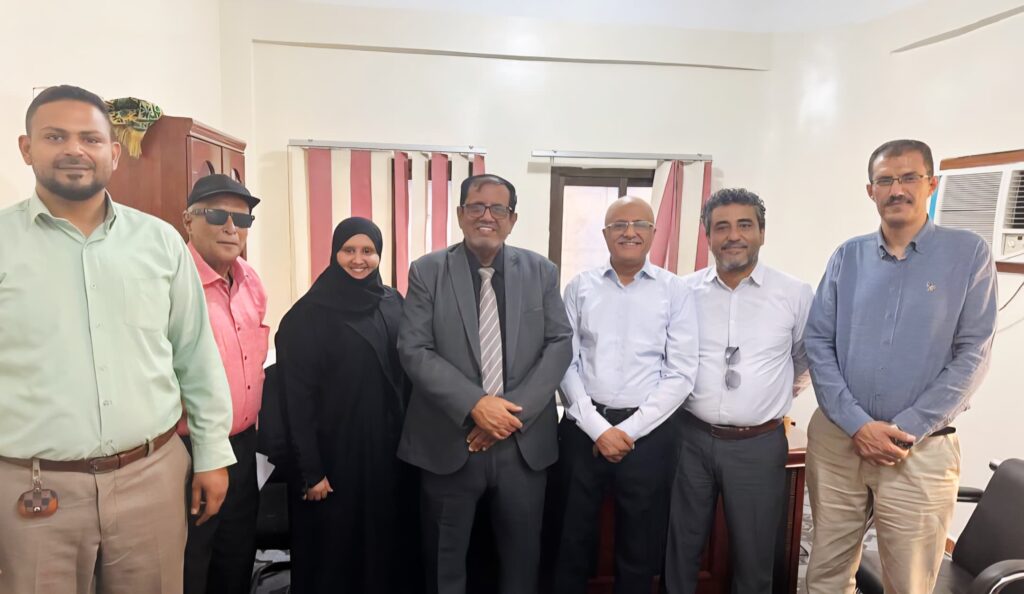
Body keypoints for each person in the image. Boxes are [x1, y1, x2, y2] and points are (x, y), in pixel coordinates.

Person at [0, 84, 234, 593]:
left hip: (151, 479)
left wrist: (213, 453)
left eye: (90, 138)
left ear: (113, 152)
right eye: (55, 136)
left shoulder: (159, 242)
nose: (74, 150)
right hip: (32, 490)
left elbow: (195, 354)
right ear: (26, 148)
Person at [804, 139, 998, 593]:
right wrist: (857, 424)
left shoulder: (968, 254)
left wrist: (904, 429)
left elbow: (973, 354)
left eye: (909, 177)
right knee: (826, 573)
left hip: (920, 450)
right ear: (870, 190)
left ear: (932, 184)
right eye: (885, 180)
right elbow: (818, 340)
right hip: (838, 442)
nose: (897, 189)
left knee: (908, 583)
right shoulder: (847, 256)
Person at [398, 174, 573, 594]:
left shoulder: (541, 271)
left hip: (521, 447)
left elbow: (559, 344)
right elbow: (414, 349)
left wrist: (509, 415)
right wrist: (477, 405)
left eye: (498, 208)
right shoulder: (427, 271)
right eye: (476, 206)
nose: (486, 216)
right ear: (460, 214)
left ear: (512, 219)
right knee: (444, 566)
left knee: (521, 565)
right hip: (448, 441)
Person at [664, 188, 813, 593]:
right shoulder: (682, 291)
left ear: (762, 232)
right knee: (680, 548)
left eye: (744, 225)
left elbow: (804, 359)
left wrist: (766, 398)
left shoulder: (795, 294)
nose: (733, 236)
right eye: (722, 227)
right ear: (707, 237)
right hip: (690, 438)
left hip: (758, 445)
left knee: (754, 556)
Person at [554, 196, 699, 594]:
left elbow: (681, 372)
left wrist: (627, 431)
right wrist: (598, 428)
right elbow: (564, 362)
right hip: (583, 430)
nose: (629, 232)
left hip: (649, 435)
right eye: (619, 225)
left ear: (653, 233)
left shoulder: (675, 291)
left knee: (639, 544)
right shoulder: (580, 287)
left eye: (640, 224)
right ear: (605, 234)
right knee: (570, 539)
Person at [275, 217, 420, 594]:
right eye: (349, 250)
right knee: (337, 558)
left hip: (389, 458)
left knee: (388, 550)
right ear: (334, 253)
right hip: (335, 462)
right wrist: (310, 472)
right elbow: (296, 401)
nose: (359, 259)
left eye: (368, 251)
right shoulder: (307, 316)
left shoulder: (393, 302)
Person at [179, 174, 269, 594]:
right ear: (188, 220)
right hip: (190, 449)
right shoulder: (173, 283)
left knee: (237, 559)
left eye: (242, 219)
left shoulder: (250, 281)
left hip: (243, 446)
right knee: (191, 564)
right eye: (217, 215)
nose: (232, 228)